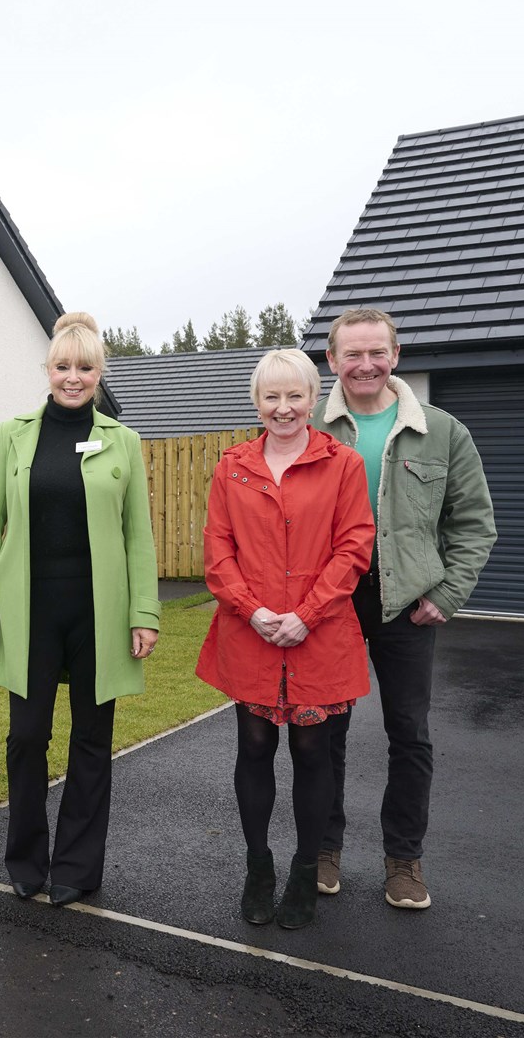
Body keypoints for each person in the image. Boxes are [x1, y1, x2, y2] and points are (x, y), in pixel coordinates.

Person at [0, 312, 161, 909]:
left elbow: (137, 536)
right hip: (30, 611)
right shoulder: (14, 434)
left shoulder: (122, 440)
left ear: (100, 374)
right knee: (27, 737)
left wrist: (144, 612)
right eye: (62, 367)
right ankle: (27, 859)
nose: (72, 378)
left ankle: (78, 865)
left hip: (97, 611)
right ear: (47, 370)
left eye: (84, 368)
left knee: (92, 739)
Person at [317, 307, 496, 909]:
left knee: (409, 735)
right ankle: (322, 850)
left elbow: (474, 525)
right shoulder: (308, 428)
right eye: (351, 354)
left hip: (407, 604)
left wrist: (446, 595)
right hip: (331, 605)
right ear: (331, 361)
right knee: (325, 733)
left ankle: (404, 862)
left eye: (376, 353)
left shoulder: (443, 432)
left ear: (396, 357)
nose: (364, 365)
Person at [196, 349, 375, 930]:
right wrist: (251, 611)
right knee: (252, 749)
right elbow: (218, 551)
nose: (283, 408)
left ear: (312, 399)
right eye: (271, 397)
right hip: (252, 634)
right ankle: (258, 868)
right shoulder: (232, 467)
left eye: (294, 396)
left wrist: (308, 614)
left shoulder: (342, 464)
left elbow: (354, 547)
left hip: (317, 634)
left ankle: (304, 869)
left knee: (311, 752)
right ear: (256, 402)